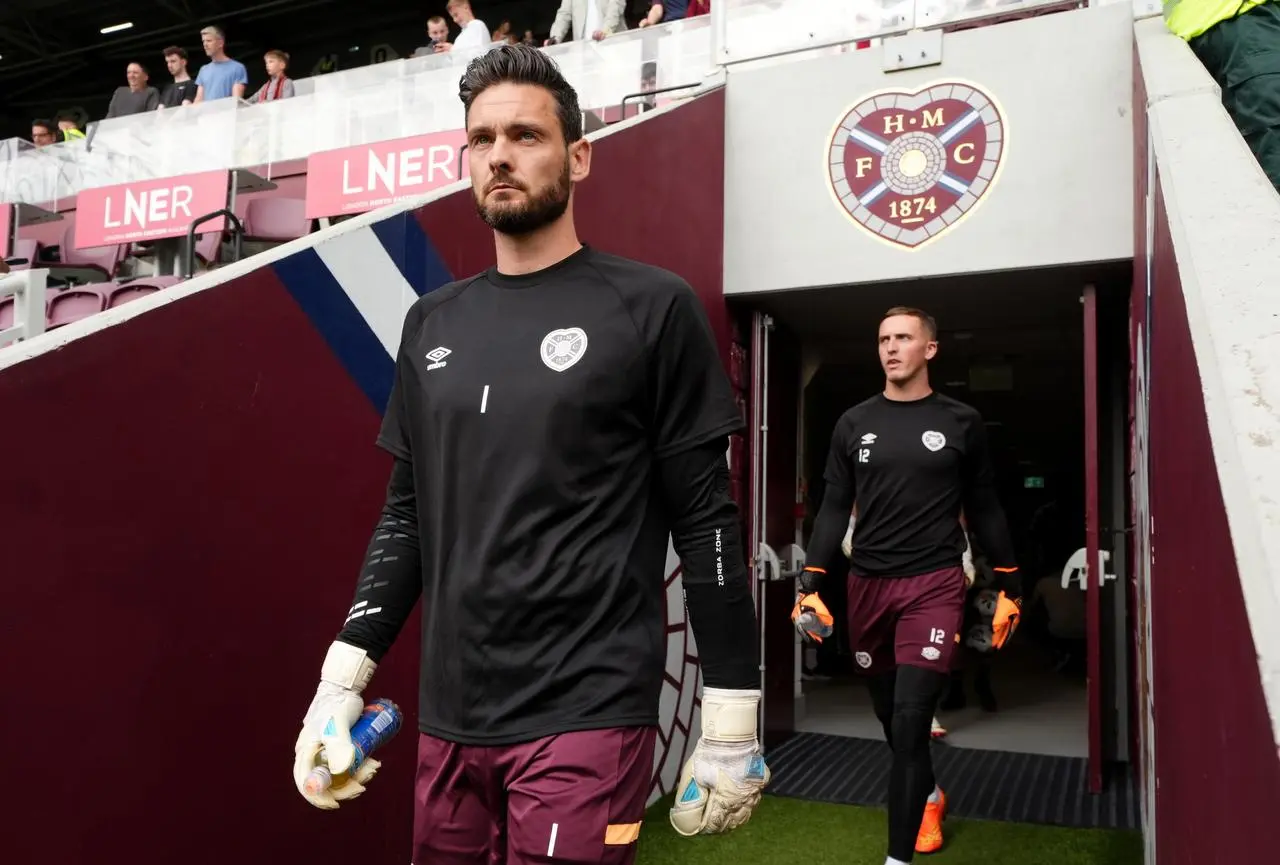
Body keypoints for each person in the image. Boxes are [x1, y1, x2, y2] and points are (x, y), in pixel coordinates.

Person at [291, 43, 769, 863]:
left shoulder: (652, 307)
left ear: (579, 156)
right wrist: (339, 686)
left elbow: (706, 520)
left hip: (585, 711)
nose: (500, 156)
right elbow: (407, 513)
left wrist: (731, 716)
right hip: (450, 713)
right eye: (482, 139)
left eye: (525, 135)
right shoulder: (431, 323)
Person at [790, 306, 1021, 863]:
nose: (891, 348)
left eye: (903, 338)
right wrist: (811, 583)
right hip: (868, 585)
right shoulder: (853, 423)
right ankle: (931, 792)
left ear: (930, 350)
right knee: (891, 717)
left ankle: (898, 858)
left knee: (915, 719)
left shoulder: (961, 421)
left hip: (934, 584)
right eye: (883, 339)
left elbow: (985, 506)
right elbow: (833, 509)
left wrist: (1010, 582)